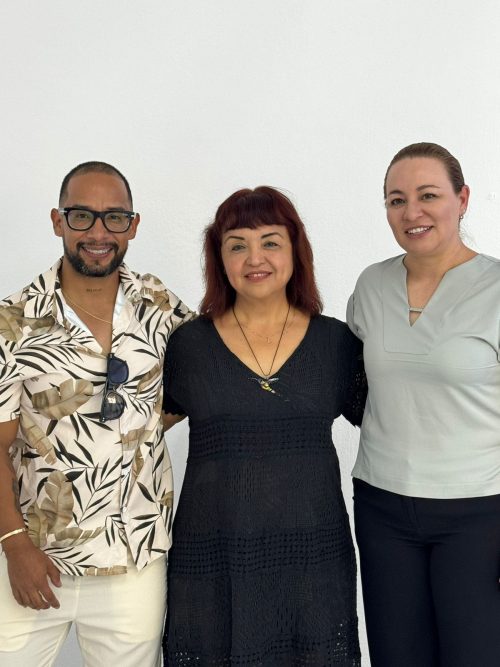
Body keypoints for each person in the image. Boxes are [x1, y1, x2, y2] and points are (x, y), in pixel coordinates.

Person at [162, 186, 366, 665]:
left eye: (270, 242)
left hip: (312, 559)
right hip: (214, 559)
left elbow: (394, 427)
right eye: (237, 245)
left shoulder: (337, 343)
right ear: (219, 258)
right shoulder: (189, 345)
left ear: (296, 249)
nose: (255, 258)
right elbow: (136, 432)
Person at [0, 161, 192, 667]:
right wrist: (15, 547)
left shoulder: (160, 306)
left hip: (134, 561)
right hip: (35, 556)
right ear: (57, 220)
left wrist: (142, 425)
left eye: (115, 217)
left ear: (133, 225)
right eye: (82, 215)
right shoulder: (13, 321)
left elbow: (206, 376)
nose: (99, 233)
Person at [347, 142, 500, 667]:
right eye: (397, 200)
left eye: (428, 195)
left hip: (480, 515)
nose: (412, 212)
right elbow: (354, 383)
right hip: (382, 508)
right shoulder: (371, 285)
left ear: (463, 199)